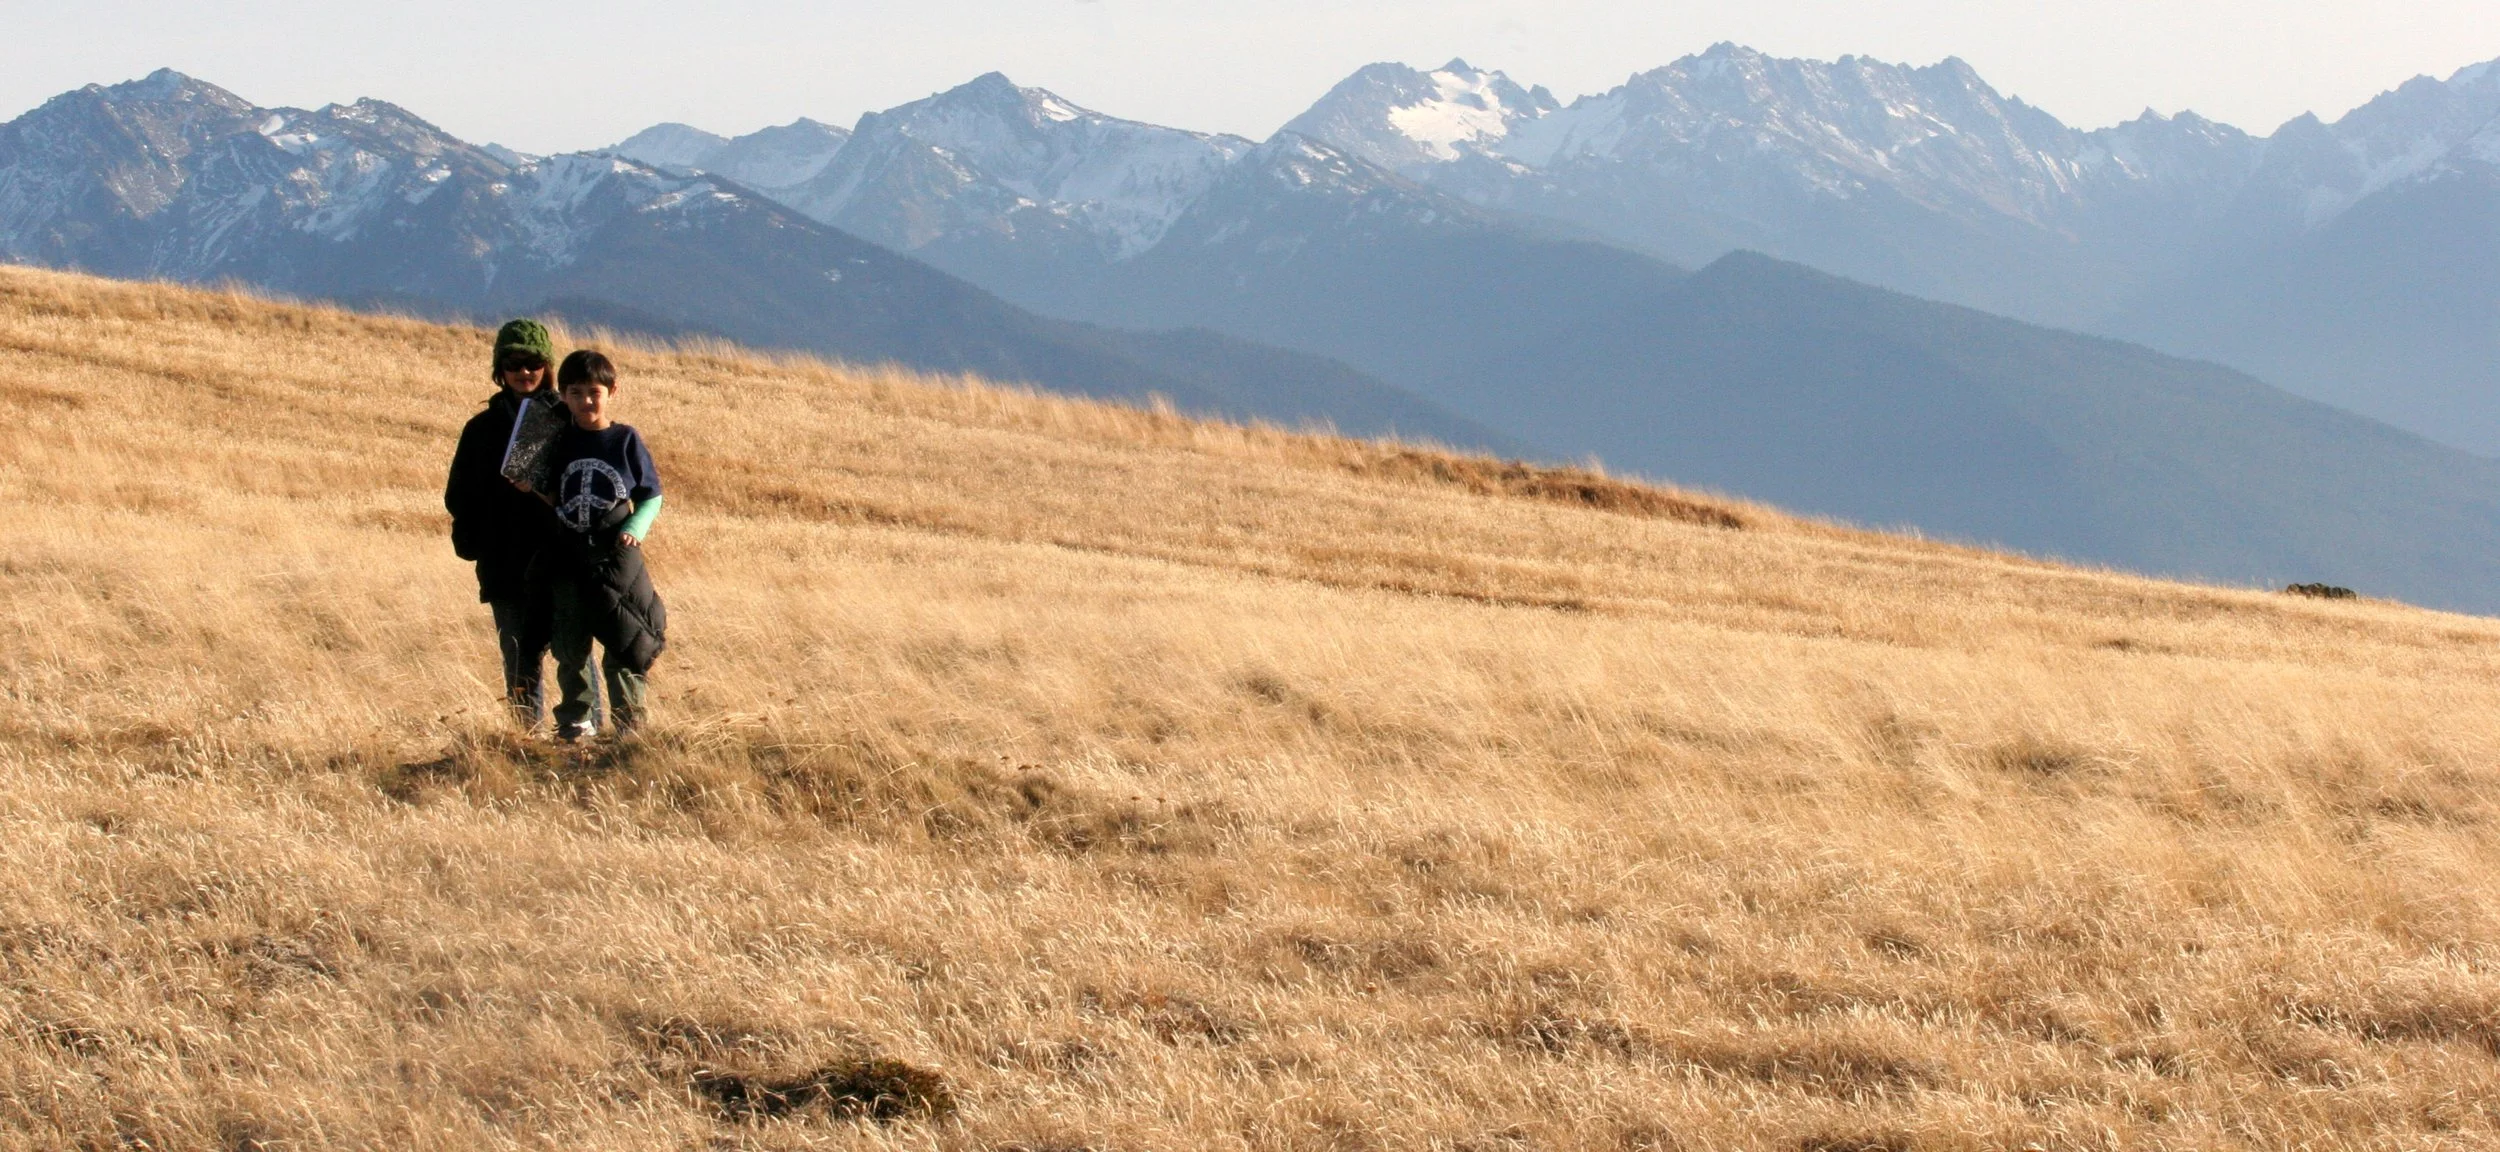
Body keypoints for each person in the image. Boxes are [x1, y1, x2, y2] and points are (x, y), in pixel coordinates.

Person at [529, 349, 667, 742]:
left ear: (612, 392)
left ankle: (629, 724)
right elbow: (557, 497)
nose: (585, 401)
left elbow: (652, 494)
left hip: (616, 557)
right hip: (569, 554)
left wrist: (636, 527)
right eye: (575, 393)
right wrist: (533, 488)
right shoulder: (560, 440)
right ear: (564, 395)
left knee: (624, 642)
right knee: (569, 644)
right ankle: (576, 718)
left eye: (594, 392)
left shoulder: (625, 440)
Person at [444, 319, 570, 730]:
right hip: (505, 564)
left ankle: (580, 737)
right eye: (514, 362)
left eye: (533, 361)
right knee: (519, 658)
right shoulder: (480, 429)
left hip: (559, 560)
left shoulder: (566, 419)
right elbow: (457, 496)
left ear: (546, 365)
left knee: (573, 655)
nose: (524, 371)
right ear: (500, 368)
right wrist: (480, 538)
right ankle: (526, 740)